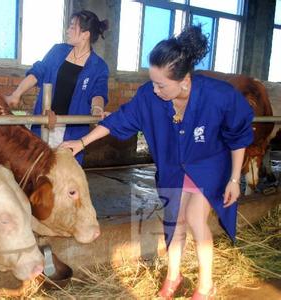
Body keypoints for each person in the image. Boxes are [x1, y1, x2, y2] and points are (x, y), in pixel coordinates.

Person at [61, 26, 253, 299]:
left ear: (185, 80)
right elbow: (119, 119)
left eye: (161, 84)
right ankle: (174, 277)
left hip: (208, 167)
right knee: (175, 222)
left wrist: (234, 178)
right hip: (173, 168)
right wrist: (81, 143)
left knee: (196, 219)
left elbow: (239, 136)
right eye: (152, 81)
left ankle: (206, 285)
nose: (154, 89)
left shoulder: (219, 95)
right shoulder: (149, 96)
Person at [5, 10, 109, 164]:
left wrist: (97, 109)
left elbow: (98, 93)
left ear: (85, 34)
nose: (68, 30)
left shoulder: (98, 66)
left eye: (73, 27)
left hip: (71, 132)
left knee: (64, 177)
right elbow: (37, 72)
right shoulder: (58, 51)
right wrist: (17, 93)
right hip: (44, 123)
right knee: (36, 170)